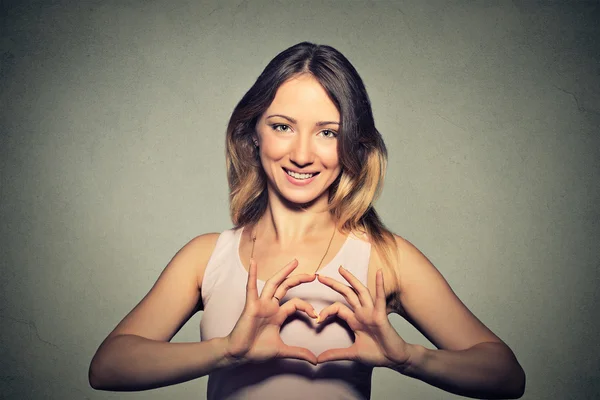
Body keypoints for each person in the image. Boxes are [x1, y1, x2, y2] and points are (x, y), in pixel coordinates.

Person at [88, 42, 525, 399]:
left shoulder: (385, 257)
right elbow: (108, 367)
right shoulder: (206, 256)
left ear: (354, 144)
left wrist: (409, 357)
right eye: (282, 126)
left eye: (328, 132)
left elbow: (506, 376)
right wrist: (226, 352)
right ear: (252, 132)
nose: (301, 154)